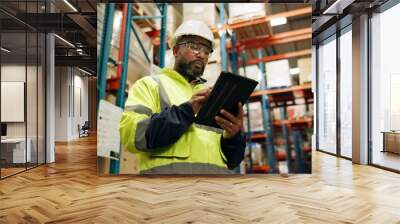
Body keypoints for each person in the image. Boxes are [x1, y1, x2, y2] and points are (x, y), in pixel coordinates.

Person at [120, 20, 246, 174]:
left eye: (207, 51)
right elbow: (132, 137)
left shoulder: (212, 97)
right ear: (175, 50)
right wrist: (186, 110)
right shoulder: (150, 85)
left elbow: (233, 161)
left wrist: (233, 137)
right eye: (194, 46)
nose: (201, 54)